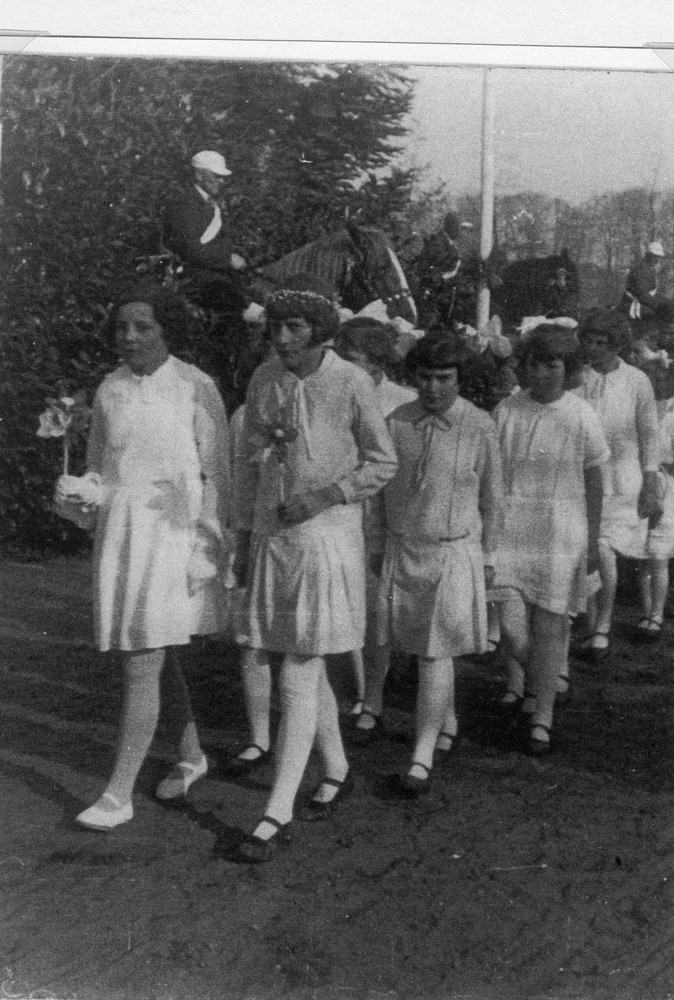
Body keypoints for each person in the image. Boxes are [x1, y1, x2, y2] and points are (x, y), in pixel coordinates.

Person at [231, 275, 397, 862]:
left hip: (326, 538)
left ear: (321, 332)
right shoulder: (264, 379)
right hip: (272, 538)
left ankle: (276, 809)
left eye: (295, 327)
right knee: (302, 655)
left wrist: (325, 496)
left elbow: (382, 462)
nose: (282, 337)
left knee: (298, 669)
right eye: (276, 326)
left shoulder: (351, 382)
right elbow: (248, 464)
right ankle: (338, 768)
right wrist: (243, 539)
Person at [54, 282, 230, 830]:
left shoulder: (196, 386)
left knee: (142, 659)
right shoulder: (109, 388)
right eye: (122, 327)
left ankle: (118, 793)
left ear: (166, 330)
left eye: (142, 326)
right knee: (150, 651)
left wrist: (208, 547)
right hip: (122, 533)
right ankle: (192, 757)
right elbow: (100, 468)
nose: (128, 337)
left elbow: (218, 476)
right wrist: (81, 491)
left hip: (173, 534)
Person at [371, 335, 503, 793]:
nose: (432, 387)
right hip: (403, 548)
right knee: (416, 647)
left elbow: (493, 499)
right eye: (424, 377)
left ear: (461, 379)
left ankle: (421, 755)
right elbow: (377, 492)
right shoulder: (395, 421)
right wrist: (376, 544)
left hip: (453, 551)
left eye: (444, 378)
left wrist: (490, 557)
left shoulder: (479, 425)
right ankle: (446, 723)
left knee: (435, 652)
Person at [493, 326, 608, 754]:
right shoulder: (507, 409)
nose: (542, 373)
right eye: (534, 364)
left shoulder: (580, 414)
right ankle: (541, 681)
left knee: (550, 624)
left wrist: (592, 539)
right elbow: (490, 473)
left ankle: (542, 715)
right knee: (511, 626)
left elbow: (594, 479)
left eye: (552, 365)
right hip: (511, 527)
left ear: (568, 369)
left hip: (561, 529)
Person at [333, 317, 418, 722]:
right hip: (342, 507)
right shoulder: (331, 390)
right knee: (349, 602)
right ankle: (361, 688)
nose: (342, 366)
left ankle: (377, 690)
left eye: (352, 358)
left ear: (377, 360)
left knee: (379, 607)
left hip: (387, 512)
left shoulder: (402, 402)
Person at [574, 309, 661, 660]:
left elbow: (649, 433)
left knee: (605, 551)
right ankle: (591, 625)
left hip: (623, 479)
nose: (594, 348)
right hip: (581, 480)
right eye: (589, 341)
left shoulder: (637, 380)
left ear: (617, 345)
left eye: (602, 343)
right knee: (587, 553)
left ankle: (602, 627)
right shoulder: (576, 378)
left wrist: (650, 478)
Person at [162, 150, 247, 312]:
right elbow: (191, 250)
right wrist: (228, 259)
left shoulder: (208, 202)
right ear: (199, 175)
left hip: (217, 274)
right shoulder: (186, 204)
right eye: (216, 176)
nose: (221, 181)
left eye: (223, 178)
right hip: (196, 278)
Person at [619, 241, 667, 323]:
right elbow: (642, 295)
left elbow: (651, 293)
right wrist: (659, 306)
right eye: (654, 256)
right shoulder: (641, 270)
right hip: (632, 305)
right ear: (648, 255)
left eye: (659, 256)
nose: (657, 259)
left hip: (643, 303)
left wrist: (663, 303)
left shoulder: (650, 268)